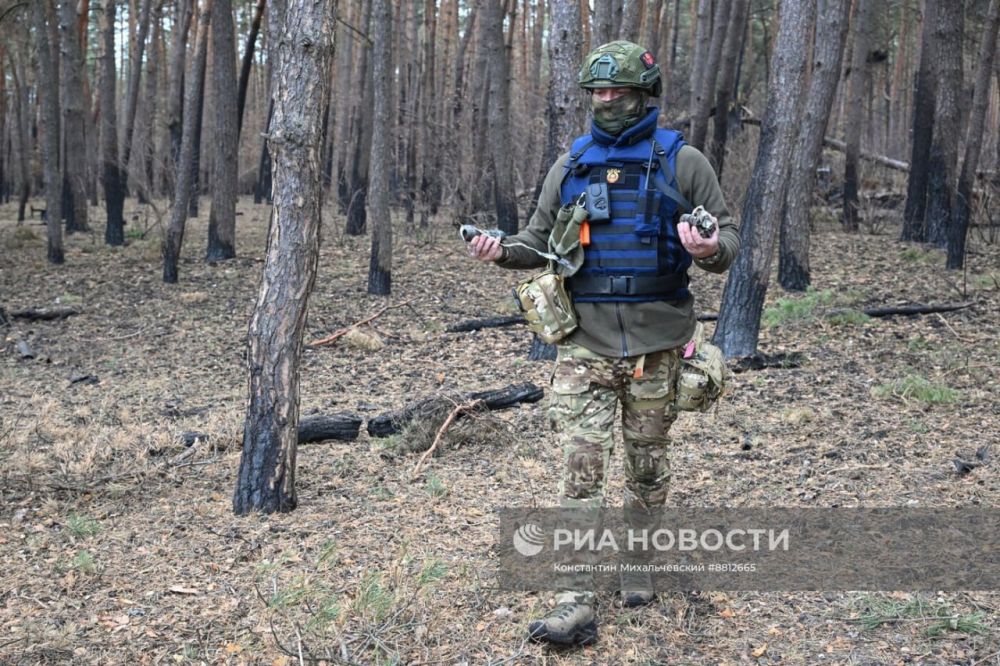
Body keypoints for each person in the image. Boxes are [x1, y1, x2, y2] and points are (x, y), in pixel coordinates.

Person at [468, 40, 739, 646]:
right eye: (597, 93)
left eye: (617, 92)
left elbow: (728, 239)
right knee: (579, 472)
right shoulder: (573, 165)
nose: (606, 102)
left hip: (659, 345)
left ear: (645, 95)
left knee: (647, 467)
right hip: (584, 345)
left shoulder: (682, 162)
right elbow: (537, 240)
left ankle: (639, 561)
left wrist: (709, 247)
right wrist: (498, 250)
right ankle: (574, 599)